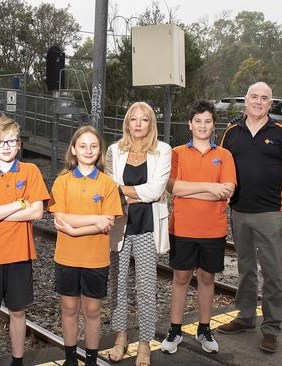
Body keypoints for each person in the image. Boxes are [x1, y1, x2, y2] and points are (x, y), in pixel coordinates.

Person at [217, 82, 282, 353]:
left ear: (270, 103)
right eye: (254, 96)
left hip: (270, 215)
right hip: (239, 213)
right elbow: (219, 170)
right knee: (245, 270)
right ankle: (245, 317)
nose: (258, 101)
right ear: (246, 100)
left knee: (274, 273)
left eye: (264, 98)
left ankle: (271, 328)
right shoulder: (231, 133)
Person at [0, 115, 50, 366]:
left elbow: (37, 212)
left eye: (11, 141)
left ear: (19, 144)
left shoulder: (30, 171)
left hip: (19, 253)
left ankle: (18, 360)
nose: (5, 147)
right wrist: (19, 203)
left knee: (18, 310)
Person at [160, 100, 237, 355]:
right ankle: (175, 329)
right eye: (198, 121)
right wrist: (210, 187)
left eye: (207, 121)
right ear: (190, 124)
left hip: (213, 230)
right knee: (180, 278)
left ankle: (204, 329)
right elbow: (173, 188)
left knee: (206, 278)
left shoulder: (224, 155)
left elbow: (226, 191)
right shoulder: (178, 152)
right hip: (182, 228)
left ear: (213, 125)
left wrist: (197, 190)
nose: (202, 126)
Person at [48, 126, 124, 366]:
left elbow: (108, 223)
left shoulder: (107, 184)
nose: (88, 150)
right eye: (82, 146)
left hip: (96, 259)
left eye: (93, 146)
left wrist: (73, 228)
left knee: (92, 310)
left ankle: (91, 359)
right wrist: (94, 219)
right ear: (73, 149)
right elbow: (60, 218)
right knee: (69, 308)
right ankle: (71, 358)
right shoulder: (62, 182)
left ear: (99, 150)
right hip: (67, 258)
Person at [105, 102, 172, 366]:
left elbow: (156, 190)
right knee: (118, 285)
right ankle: (120, 337)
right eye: (134, 119)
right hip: (121, 225)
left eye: (144, 119)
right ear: (127, 123)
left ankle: (144, 342)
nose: (139, 124)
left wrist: (125, 192)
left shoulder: (163, 150)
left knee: (145, 287)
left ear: (151, 124)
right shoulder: (114, 150)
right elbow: (110, 188)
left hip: (147, 226)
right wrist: (137, 193)